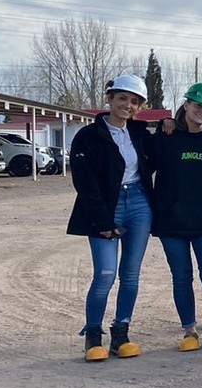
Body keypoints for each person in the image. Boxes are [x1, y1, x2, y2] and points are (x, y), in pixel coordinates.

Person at [67, 73, 156, 361]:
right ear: (110, 98)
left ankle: (121, 333)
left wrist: (169, 124)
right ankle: (93, 335)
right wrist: (102, 220)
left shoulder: (140, 134)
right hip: (107, 206)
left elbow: (161, 156)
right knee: (105, 273)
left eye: (134, 102)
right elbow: (85, 183)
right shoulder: (87, 137)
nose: (127, 105)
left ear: (140, 107)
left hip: (139, 203)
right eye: (122, 98)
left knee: (130, 274)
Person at [151, 81, 202, 353]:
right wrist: (162, 123)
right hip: (171, 221)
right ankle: (189, 330)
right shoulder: (165, 137)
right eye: (198, 105)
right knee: (181, 277)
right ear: (186, 104)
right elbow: (141, 161)